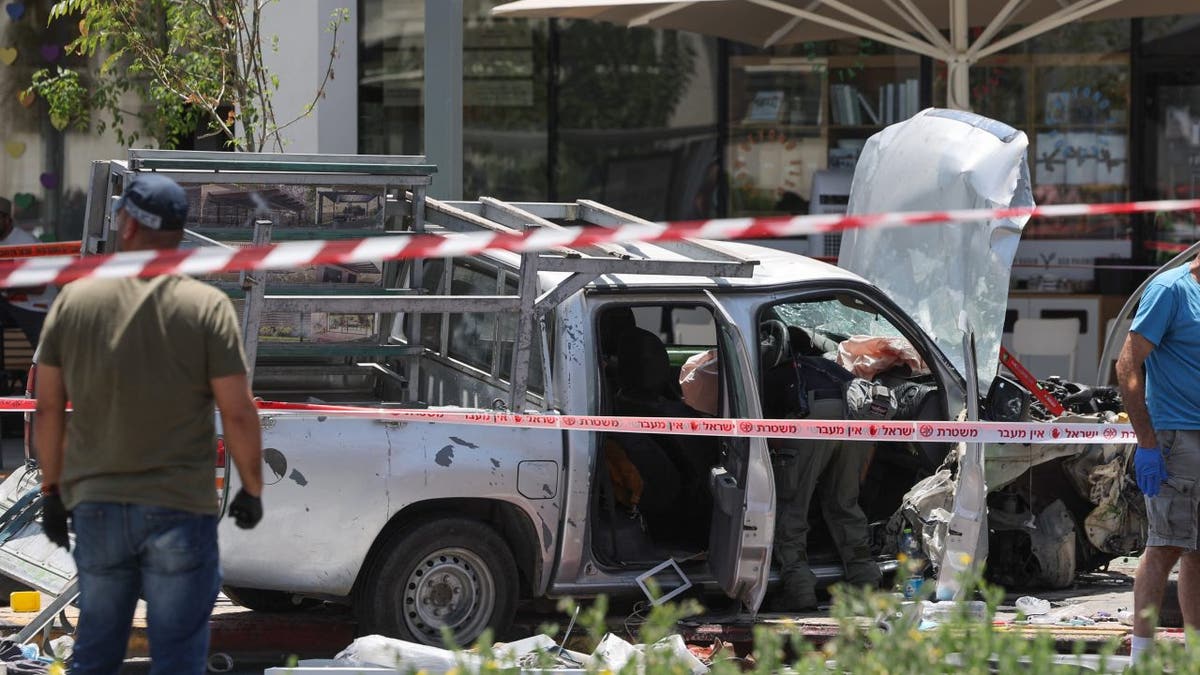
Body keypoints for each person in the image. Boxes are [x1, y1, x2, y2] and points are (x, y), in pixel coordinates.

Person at [34, 174, 265, 675]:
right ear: (178, 235)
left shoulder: (75, 303)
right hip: (179, 508)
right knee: (178, 657)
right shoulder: (207, 308)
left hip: (98, 507)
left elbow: (48, 409)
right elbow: (239, 410)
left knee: (95, 652)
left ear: (129, 225)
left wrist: (52, 491)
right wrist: (252, 486)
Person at [1116, 253, 1200, 663]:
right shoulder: (1171, 290)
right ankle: (1141, 660)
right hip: (1174, 437)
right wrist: (1148, 442)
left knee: (1197, 550)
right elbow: (1128, 365)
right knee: (1165, 545)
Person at [764, 350, 884, 612]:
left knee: (792, 503)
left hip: (811, 416)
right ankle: (864, 580)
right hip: (856, 418)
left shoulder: (773, 376)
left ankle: (799, 588)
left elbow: (761, 436)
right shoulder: (827, 367)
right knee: (845, 502)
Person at [0, 196, 56, 346]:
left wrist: (8, 287)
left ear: (6, 219)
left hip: (37, 305)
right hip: (12, 303)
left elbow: (40, 286)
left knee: (45, 352)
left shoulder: (26, 243)